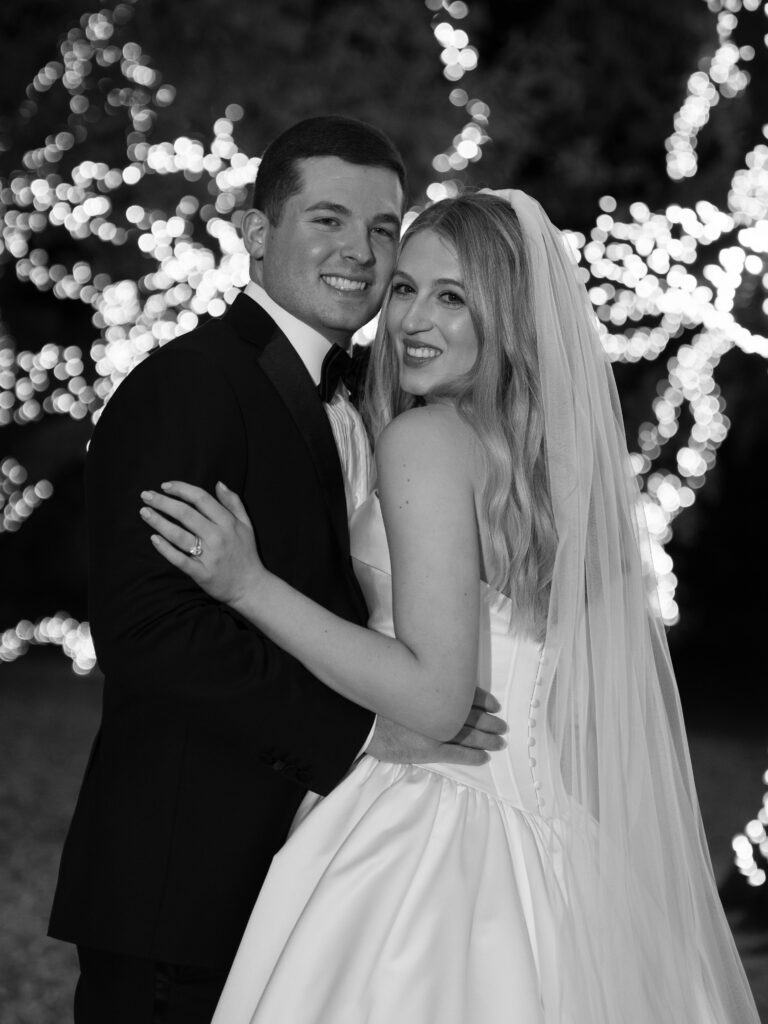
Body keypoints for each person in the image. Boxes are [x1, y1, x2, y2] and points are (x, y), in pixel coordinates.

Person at [142, 190, 760, 1023]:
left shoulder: (428, 439)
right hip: (548, 837)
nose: (411, 320)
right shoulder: (547, 461)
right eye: (405, 289)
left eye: (453, 297)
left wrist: (249, 585)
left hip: (428, 829)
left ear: (506, 316)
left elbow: (437, 700)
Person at [48, 117, 506, 1024]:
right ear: (257, 235)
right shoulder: (186, 386)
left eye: (383, 229)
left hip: (323, 875)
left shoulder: (392, 393)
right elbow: (151, 634)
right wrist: (371, 737)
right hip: (184, 877)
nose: (362, 253)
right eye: (328, 221)